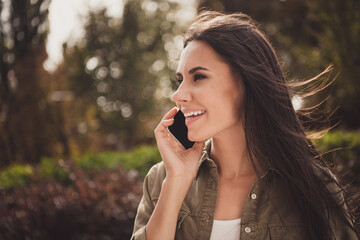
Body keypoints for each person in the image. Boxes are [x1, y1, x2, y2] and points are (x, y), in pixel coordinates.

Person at [131, 11, 359, 240]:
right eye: (180, 80)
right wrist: (177, 181)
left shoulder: (312, 184)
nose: (177, 95)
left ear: (246, 82)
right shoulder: (162, 179)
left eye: (198, 77)